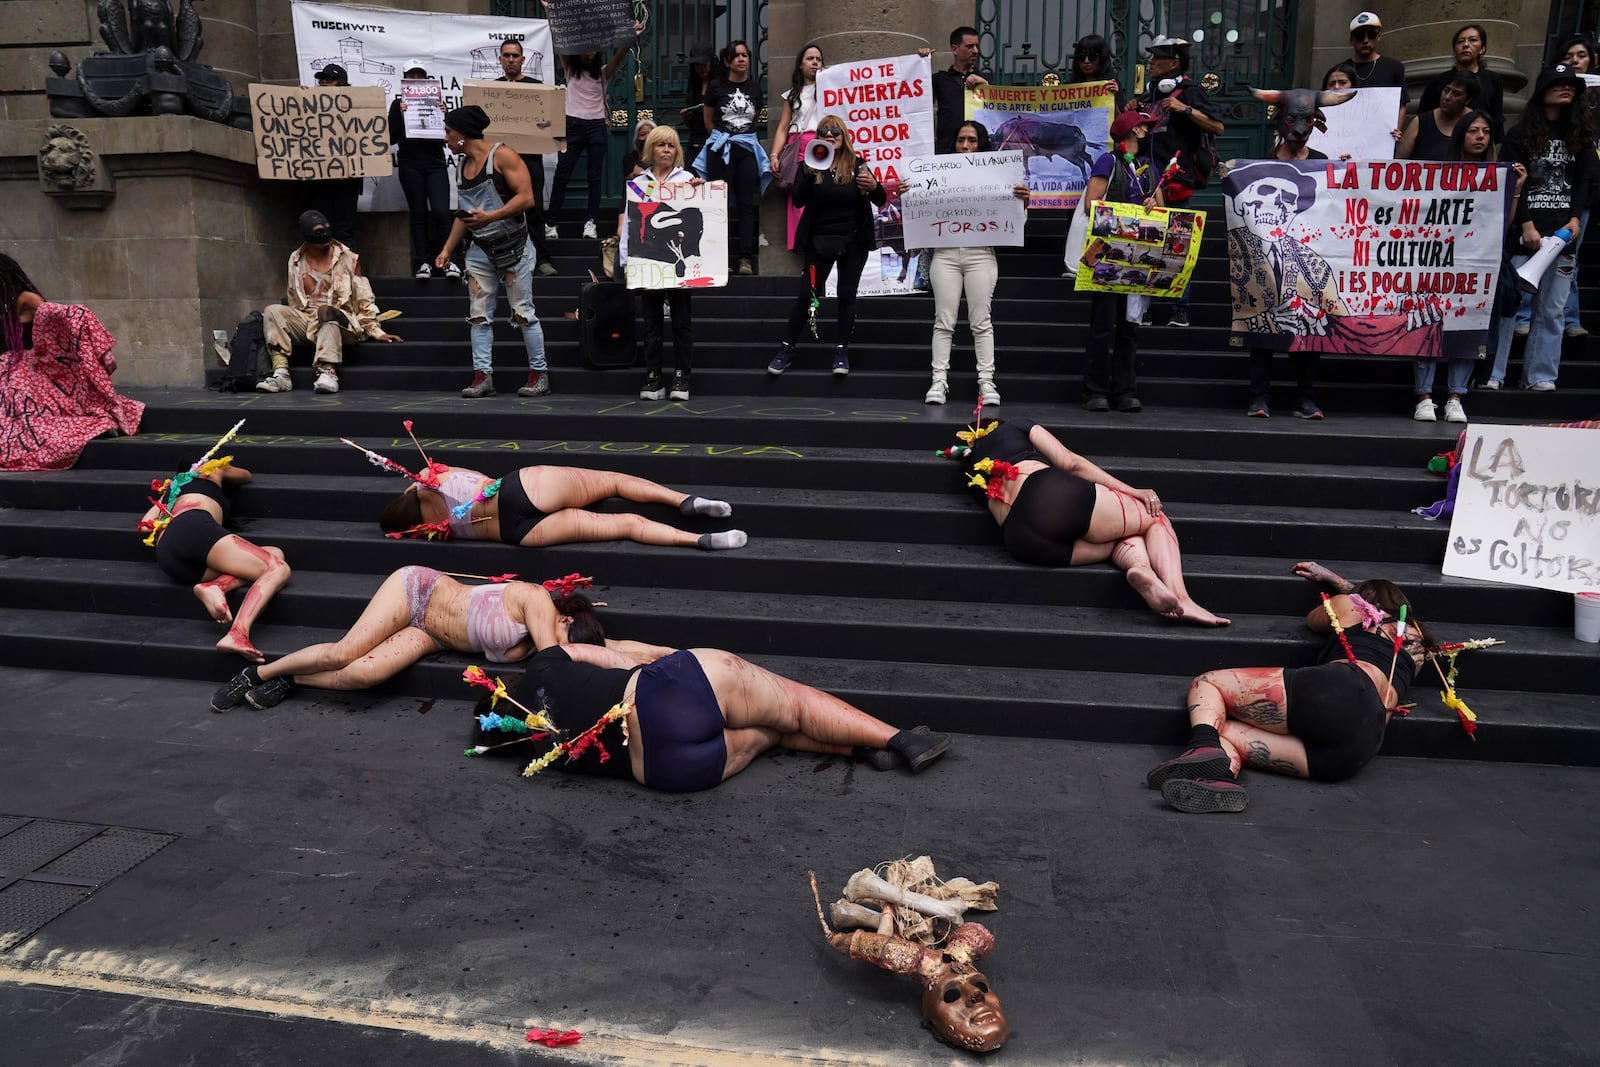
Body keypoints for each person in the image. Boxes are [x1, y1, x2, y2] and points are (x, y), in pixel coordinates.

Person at [471, 588, 955, 790]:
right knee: (793, 705)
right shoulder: (544, 662)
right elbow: (613, 660)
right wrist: (675, 667)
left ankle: (858, 749)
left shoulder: (535, 745)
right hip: (660, 696)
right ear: (502, 686)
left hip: (667, 770)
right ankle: (900, 739)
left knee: (773, 733)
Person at [1144, 561, 1428, 814]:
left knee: (1208, 684)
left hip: (1342, 690)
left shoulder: (1351, 606)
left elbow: (1316, 620)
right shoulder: (1420, 643)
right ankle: (1220, 779)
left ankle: (1200, 746)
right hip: (1358, 748)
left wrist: (1338, 586)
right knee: (1224, 729)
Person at [950, 417, 1228, 626]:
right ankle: (1182, 598)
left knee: (1113, 539)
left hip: (1022, 540)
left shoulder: (972, 475)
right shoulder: (1014, 426)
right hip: (1047, 496)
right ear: (995, 424)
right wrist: (1132, 492)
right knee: (1153, 518)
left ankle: (1141, 569)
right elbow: (1071, 464)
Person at [207, 567, 552, 711]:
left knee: (364, 674)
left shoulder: (547, 639)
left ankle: (291, 678)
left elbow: (593, 647)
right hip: (421, 592)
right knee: (344, 654)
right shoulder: (536, 599)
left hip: (432, 635)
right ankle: (256, 675)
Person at [1485, 65, 1593, 392]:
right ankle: (1494, 373)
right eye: (1557, 83)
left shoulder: (1581, 136)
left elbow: (1583, 182)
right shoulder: (1520, 134)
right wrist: (1526, 224)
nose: (1565, 89)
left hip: (1563, 238)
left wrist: (1575, 219)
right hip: (1525, 237)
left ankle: (1540, 376)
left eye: (1570, 85)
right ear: (1543, 88)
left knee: (1553, 311)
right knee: (1509, 310)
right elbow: (1512, 180)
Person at [435, 105, 551, 400]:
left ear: (462, 133)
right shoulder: (462, 166)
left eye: (449, 131)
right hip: (480, 249)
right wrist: (447, 248)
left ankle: (539, 374)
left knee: (523, 312)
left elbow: (527, 199)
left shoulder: (503, 156)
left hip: (514, 247)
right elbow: (465, 215)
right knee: (478, 315)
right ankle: (482, 376)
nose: (445, 137)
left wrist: (492, 216)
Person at [377, 461, 747, 551]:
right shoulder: (429, 474)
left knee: (627, 525)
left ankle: (699, 542)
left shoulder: (425, 532)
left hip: (516, 533)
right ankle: (684, 500)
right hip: (519, 489)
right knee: (614, 481)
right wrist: (419, 479)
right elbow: (477, 476)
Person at [767, 116, 887, 377]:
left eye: (835, 132)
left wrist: (874, 186)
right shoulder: (809, 165)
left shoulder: (857, 165)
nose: (830, 135)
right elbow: (797, 201)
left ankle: (841, 350)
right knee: (808, 295)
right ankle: (786, 348)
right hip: (819, 241)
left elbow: (880, 198)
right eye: (824, 132)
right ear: (818, 137)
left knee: (846, 295)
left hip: (853, 241)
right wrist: (808, 175)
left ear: (844, 137)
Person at [0, 254, 143, 471]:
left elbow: (54, 320)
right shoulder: (5, 305)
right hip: (8, 370)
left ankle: (92, 429)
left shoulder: (24, 299)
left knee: (23, 405)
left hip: (25, 368)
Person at [140, 460, 290, 664]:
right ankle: (238, 633)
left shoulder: (170, 491)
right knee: (278, 569)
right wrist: (215, 468)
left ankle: (215, 586)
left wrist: (169, 493)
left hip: (169, 556)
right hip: (194, 526)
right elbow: (245, 475)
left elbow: (145, 528)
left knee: (274, 553)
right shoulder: (211, 467)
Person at [925, 120, 1030, 406]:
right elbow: (920, 215)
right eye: (961, 140)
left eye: (971, 140)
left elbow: (1014, 224)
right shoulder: (938, 174)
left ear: (981, 144)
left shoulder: (999, 175)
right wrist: (912, 196)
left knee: (981, 321)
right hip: (945, 254)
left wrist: (1022, 202)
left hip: (981, 254)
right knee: (943, 321)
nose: (965, 146)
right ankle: (938, 380)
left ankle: (986, 381)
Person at [257, 210, 401, 395]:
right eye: (318, 231)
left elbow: (365, 299)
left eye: (327, 229)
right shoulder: (295, 260)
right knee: (272, 310)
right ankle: (281, 374)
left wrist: (376, 330)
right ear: (306, 235)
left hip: (342, 321)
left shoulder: (348, 258)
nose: (325, 234)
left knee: (326, 310)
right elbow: (294, 299)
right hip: (310, 320)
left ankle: (328, 370)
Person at [1078, 109, 1162, 413]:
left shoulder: (1149, 168)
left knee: (1130, 327)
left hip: (1139, 260)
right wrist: (1125, 213)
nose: (1147, 130)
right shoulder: (1108, 161)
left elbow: (1163, 211)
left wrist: (1152, 204)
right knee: (1103, 325)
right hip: (1109, 255)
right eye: (1143, 126)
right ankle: (1094, 390)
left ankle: (1126, 390)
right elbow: (1091, 204)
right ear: (1132, 131)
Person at [1135, 37, 1223, 327]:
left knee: (1178, 245)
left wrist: (1185, 109)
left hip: (1176, 180)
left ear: (1174, 63)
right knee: (1145, 244)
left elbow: (1217, 126)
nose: (1150, 63)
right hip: (1146, 180)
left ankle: (1179, 308)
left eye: (1156, 58)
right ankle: (1143, 308)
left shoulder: (1190, 92)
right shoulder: (1150, 95)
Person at [622, 126, 698, 402]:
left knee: (681, 322)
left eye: (672, 145)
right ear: (650, 150)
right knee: (651, 322)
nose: (666, 150)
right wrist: (626, 259)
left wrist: (702, 193)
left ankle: (681, 375)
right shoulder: (639, 185)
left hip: (680, 262)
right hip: (650, 261)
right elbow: (631, 224)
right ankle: (653, 376)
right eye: (661, 145)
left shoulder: (689, 179)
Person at [546, 28, 640, 241]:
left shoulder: (603, 72)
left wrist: (632, 36)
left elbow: (621, 53)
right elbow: (560, 41)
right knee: (562, 174)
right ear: (578, 52)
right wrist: (550, 13)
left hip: (596, 126)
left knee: (594, 176)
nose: (589, 54)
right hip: (572, 125)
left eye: (594, 51)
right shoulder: (570, 69)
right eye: (585, 50)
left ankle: (590, 222)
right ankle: (550, 223)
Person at [698, 39, 768, 275]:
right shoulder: (716, 87)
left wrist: (741, 136)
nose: (741, 59)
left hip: (746, 150)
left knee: (746, 204)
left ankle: (745, 259)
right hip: (720, 150)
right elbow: (709, 121)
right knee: (719, 205)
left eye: (745, 55)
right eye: (736, 55)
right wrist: (723, 137)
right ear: (727, 61)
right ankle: (721, 257)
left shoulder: (755, 88)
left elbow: (755, 120)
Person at [389, 61, 460, 282]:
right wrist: (401, 117)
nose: (416, 78)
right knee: (418, 213)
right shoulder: (397, 104)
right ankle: (423, 261)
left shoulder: (438, 102)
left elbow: (451, 135)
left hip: (435, 162)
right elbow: (391, 137)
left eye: (420, 74)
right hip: (410, 163)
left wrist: (445, 115)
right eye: (412, 75)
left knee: (441, 212)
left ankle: (449, 260)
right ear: (405, 78)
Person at [495, 40, 558, 276]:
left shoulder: (537, 88)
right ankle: (507, 260)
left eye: (515, 56)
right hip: (502, 160)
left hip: (531, 159)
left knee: (533, 209)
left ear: (523, 60)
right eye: (506, 55)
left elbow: (549, 122)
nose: (511, 59)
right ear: (500, 59)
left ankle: (542, 259)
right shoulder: (491, 89)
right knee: (504, 210)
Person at [1555, 32, 1597, 339]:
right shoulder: (1553, 97)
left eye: (1581, 55)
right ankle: (1529, 314)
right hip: (1553, 187)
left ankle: (1569, 319)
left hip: (1585, 188)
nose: (1574, 61)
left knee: (1570, 256)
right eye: (1569, 56)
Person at [298, 63, 363, 248]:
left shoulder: (356, 106)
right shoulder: (311, 103)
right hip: (321, 177)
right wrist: (300, 98)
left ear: (341, 83)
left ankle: (348, 274)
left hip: (348, 178)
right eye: (321, 80)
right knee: (322, 230)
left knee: (344, 229)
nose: (324, 83)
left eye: (329, 79)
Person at [770, 42, 825, 250]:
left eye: (818, 59)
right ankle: (801, 241)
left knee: (822, 192)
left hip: (822, 148)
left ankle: (818, 240)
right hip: (797, 149)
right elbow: (783, 128)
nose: (815, 62)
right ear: (800, 65)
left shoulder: (830, 89)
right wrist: (775, 155)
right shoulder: (791, 95)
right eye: (810, 58)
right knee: (798, 195)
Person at [1417, 24, 1505, 141]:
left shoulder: (1493, 80)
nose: (1466, 45)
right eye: (1460, 41)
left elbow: (1496, 119)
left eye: (1473, 40)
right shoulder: (1438, 81)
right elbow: (1424, 116)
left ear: (1482, 49)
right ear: (1454, 50)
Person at [1344, 12, 1409, 131]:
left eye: (1371, 35)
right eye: (1359, 36)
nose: (1365, 40)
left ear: (1379, 37)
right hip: (1347, 134)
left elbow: (1401, 104)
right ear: (1351, 40)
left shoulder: (1394, 67)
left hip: (1381, 138)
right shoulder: (1341, 70)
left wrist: (1396, 132)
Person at [1397, 69, 1479, 160]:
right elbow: (1400, 160)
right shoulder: (1421, 122)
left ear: (1468, 100)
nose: (1447, 97)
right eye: (1446, 90)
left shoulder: (1477, 123)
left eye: (1456, 94)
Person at [931, 27, 988, 153]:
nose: (975, 51)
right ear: (954, 49)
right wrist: (920, 61)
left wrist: (986, 86)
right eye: (969, 46)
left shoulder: (986, 78)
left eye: (977, 46)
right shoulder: (940, 79)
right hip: (946, 152)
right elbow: (917, 103)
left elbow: (998, 111)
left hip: (979, 154)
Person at [680, 40, 718, 166]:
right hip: (696, 141)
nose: (700, 68)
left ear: (711, 62)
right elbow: (691, 125)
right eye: (696, 65)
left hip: (716, 141)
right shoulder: (693, 86)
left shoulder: (721, 84)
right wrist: (687, 117)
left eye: (703, 64)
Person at [1068, 33, 1123, 108]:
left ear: (1102, 58)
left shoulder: (1111, 85)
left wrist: (1114, 96)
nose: (1086, 61)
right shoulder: (1069, 88)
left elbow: (1120, 117)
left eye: (1092, 57)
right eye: (1081, 57)